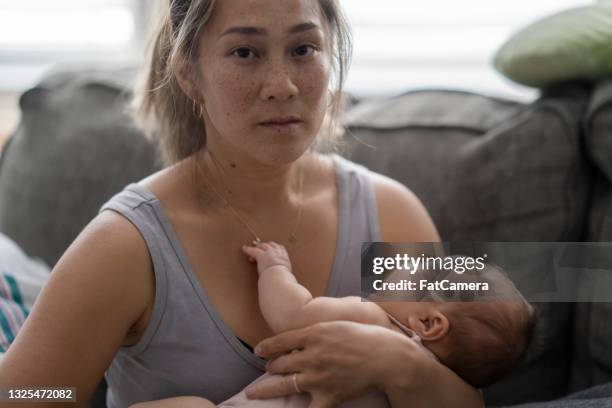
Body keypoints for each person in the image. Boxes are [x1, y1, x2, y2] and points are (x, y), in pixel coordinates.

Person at [0, 1, 483, 407]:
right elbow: (28, 395)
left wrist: (397, 363)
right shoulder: (125, 246)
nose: (281, 84)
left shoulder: (391, 214)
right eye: (245, 52)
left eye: (303, 49)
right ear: (189, 74)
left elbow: (467, 394)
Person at [208, 241, 535, 407]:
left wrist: (275, 268)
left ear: (427, 321)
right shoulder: (435, 390)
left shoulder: (373, 320)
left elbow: (291, 314)